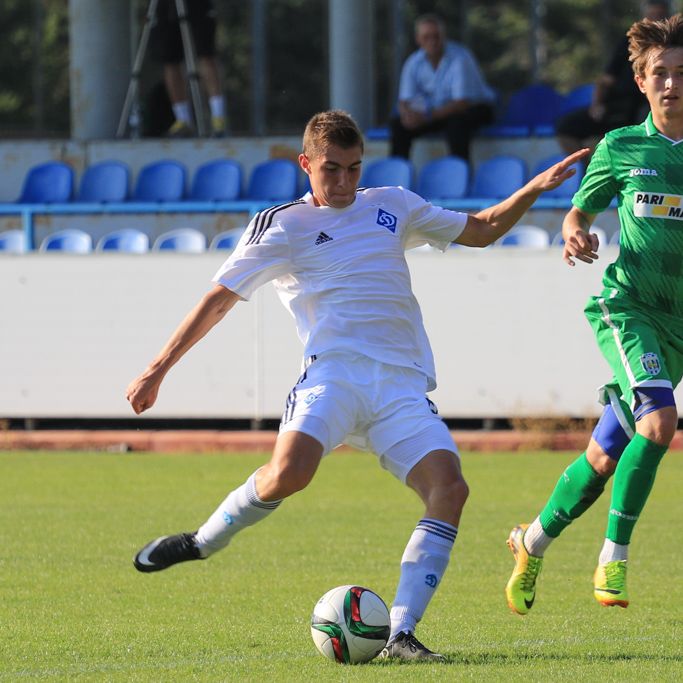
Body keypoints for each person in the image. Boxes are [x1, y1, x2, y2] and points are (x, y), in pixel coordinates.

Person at [127, 109, 585, 660]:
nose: (344, 182)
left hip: (400, 386)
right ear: (305, 165)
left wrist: (535, 186)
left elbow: (483, 230)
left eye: (353, 169)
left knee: (450, 489)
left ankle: (401, 634)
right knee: (288, 475)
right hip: (334, 375)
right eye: (331, 171)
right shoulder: (283, 225)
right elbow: (219, 299)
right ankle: (202, 541)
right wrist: (158, 367)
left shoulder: (391, 204)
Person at [506, 13, 683, 616]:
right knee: (660, 422)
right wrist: (574, 234)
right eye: (660, 73)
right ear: (640, 81)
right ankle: (614, 556)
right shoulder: (621, 146)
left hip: (679, 323)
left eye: (681, 73)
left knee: (607, 452)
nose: (671, 84)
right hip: (626, 305)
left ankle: (530, 543)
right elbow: (578, 213)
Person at [555, 0, 671, 156]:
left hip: (644, 106)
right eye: (652, 15)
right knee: (565, 126)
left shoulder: (673, 45)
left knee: (650, 122)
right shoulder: (629, 42)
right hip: (615, 107)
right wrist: (597, 105)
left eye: (660, 16)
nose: (655, 20)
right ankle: (594, 166)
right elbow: (605, 80)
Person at [390, 13, 496, 163]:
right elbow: (404, 100)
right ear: (418, 39)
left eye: (436, 36)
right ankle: (396, 177)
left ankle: (459, 174)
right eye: (426, 37)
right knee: (398, 125)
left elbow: (461, 103)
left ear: (444, 37)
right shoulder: (414, 62)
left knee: (457, 124)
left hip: (475, 108)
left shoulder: (460, 58)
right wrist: (408, 116)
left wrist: (425, 118)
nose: (432, 41)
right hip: (436, 113)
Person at [152, 0, 227, 138]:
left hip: (196, 5)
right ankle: (182, 119)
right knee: (170, 60)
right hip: (167, 5)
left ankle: (218, 117)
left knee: (206, 54)